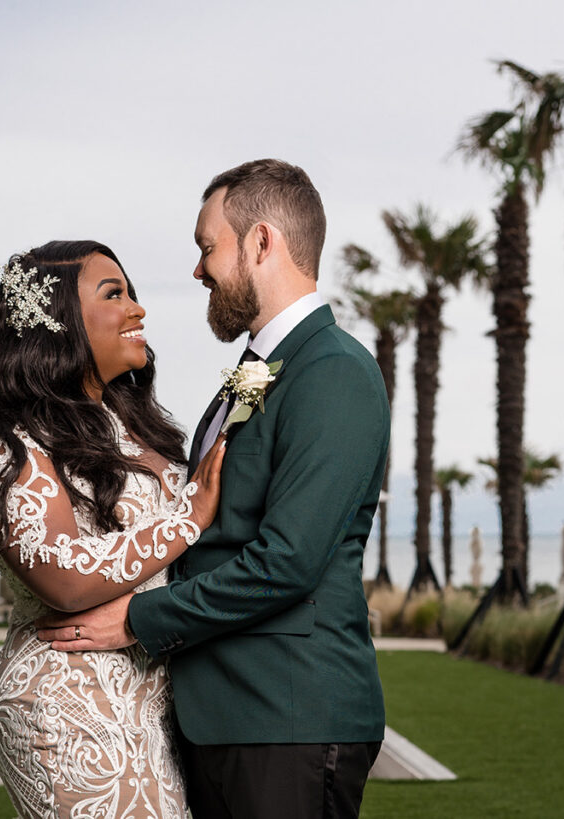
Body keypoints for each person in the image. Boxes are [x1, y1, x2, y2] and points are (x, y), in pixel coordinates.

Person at [38, 160, 390, 818]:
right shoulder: (254, 374)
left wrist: (138, 621)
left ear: (262, 242)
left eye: (208, 247)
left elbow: (288, 561)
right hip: (224, 718)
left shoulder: (334, 372)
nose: (198, 270)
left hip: (288, 719)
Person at [0, 240, 226, 819]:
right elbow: (63, 577)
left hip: (148, 700)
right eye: (114, 294)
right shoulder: (11, 434)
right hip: (67, 701)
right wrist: (191, 518)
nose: (137, 309)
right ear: (59, 321)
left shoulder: (135, 423)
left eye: (132, 292)